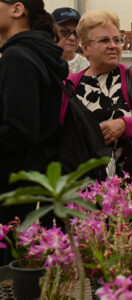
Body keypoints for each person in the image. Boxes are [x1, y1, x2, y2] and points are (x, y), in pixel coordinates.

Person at [0, 0, 69, 264]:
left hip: (15, 185)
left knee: (13, 265)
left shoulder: (17, 57)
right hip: (35, 179)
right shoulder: (40, 54)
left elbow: (19, 130)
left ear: (17, 9)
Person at [65, 10, 132, 174]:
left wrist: (124, 125)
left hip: (127, 185)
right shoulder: (71, 84)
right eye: (104, 40)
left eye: (116, 40)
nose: (113, 45)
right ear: (85, 47)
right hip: (84, 185)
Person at [52, 7, 89, 73]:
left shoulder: (87, 67)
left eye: (76, 33)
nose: (72, 38)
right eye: (65, 32)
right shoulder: (41, 63)